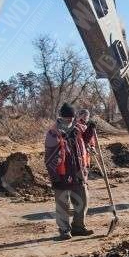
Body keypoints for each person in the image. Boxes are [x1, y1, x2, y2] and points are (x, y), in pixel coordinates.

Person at [45, 103, 93, 240]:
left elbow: (84, 141)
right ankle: (64, 230)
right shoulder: (53, 132)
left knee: (82, 200)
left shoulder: (77, 127)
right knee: (63, 204)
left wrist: (90, 129)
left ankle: (78, 227)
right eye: (68, 118)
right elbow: (50, 154)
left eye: (72, 118)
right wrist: (54, 176)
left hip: (77, 171)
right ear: (62, 117)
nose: (70, 121)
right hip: (61, 173)